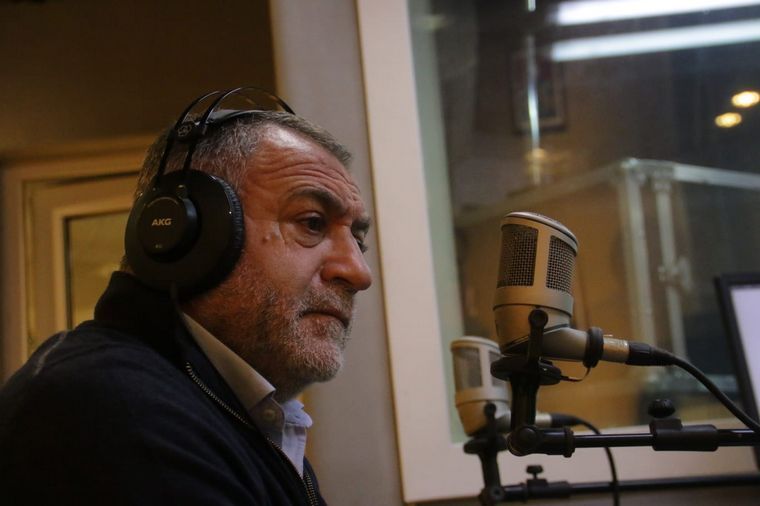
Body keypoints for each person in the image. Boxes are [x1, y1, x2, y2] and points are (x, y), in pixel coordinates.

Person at [0, 89, 373, 505]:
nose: (358, 272)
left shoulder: (233, 412)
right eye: (312, 223)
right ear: (189, 231)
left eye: (359, 241)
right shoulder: (109, 407)